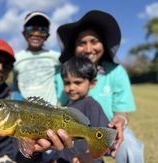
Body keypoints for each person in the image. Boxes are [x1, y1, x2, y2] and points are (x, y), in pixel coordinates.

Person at [57, 10, 144, 163]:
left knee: (130, 147)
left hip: (110, 129)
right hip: (76, 132)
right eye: (82, 43)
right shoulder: (63, 73)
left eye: (94, 41)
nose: (89, 49)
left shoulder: (116, 72)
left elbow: (122, 113)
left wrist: (120, 120)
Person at [47, 56, 110, 163]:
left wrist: (90, 156)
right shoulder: (67, 107)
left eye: (77, 82)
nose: (71, 88)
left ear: (92, 83)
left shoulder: (91, 106)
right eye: (67, 83)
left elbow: (103, 137)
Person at [12, 11, 67, 106]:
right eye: (31, 28)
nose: (36, 33)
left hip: (52, 113)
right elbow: (14, 87)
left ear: (47, 36)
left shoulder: (56, 57)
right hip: (26, 114)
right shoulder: (16, 59)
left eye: (42, 30)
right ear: (24, 33)